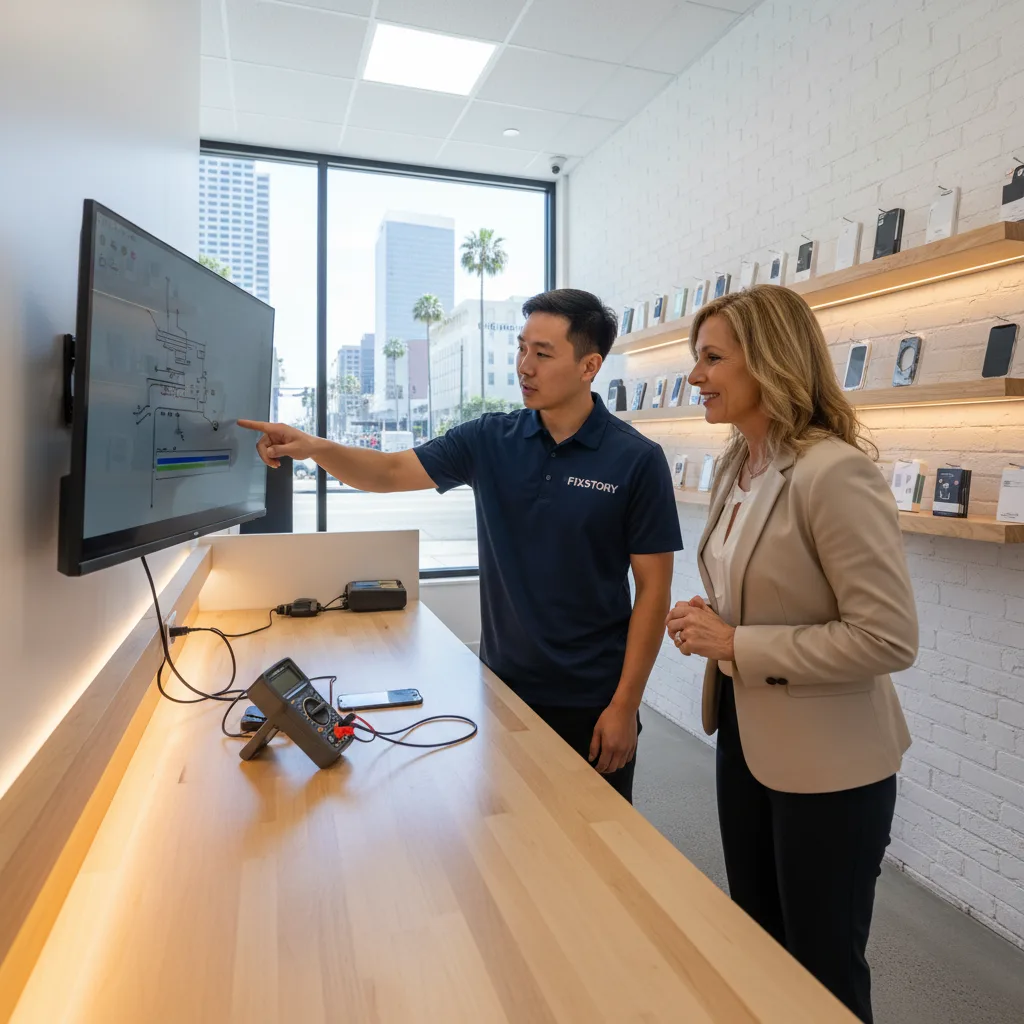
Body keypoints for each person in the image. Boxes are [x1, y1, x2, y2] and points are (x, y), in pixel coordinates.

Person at [241, 288, 682, 803]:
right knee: (507, 836)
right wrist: (315, 447)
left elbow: (654, 590)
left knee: (601, 848)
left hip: (592, 698)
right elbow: (387, 471)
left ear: (589, 366)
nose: (524, 366)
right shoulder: (489, 440)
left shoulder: (636, 460)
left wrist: (626, 705)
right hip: (502, 690)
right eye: (521, 349)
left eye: (542, 354)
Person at [664, 285, 917, 1023]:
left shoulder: (834, 473)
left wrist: (737, 642)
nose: (695, 376)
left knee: (823, 964)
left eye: (712, 358)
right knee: (757, 940)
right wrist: (715, 618)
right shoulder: (735, 467)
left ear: (767, 362)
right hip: (745, 738)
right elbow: (769, 590)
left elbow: (887, 637)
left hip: (831, 764)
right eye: (695, 358)